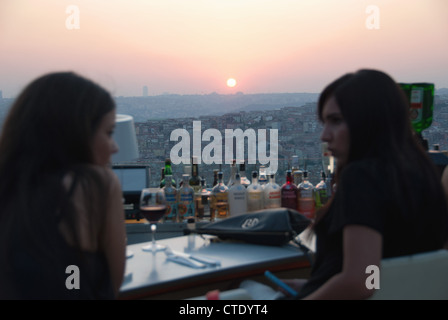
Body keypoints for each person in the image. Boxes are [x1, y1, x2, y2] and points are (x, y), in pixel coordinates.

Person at [279, 69, 448, 299]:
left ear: (369, 121)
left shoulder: (362, 177)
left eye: (336, 121)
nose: (325, 135)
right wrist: (315, 286)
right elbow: (384, 268)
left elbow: (362, 281)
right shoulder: (423, 171)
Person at [0, 72, 126, 299]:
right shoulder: (94, 185)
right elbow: (112, 286)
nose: (114, 147)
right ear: (76, 133)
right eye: (108, 133)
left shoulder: (10, 188)